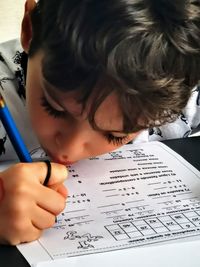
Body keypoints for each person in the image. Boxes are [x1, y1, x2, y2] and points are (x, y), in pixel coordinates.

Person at [0, 0, 200, 245]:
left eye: (116, 134)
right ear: (30, 31)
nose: (68, 150)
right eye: (54, 107)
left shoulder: (183, 84)